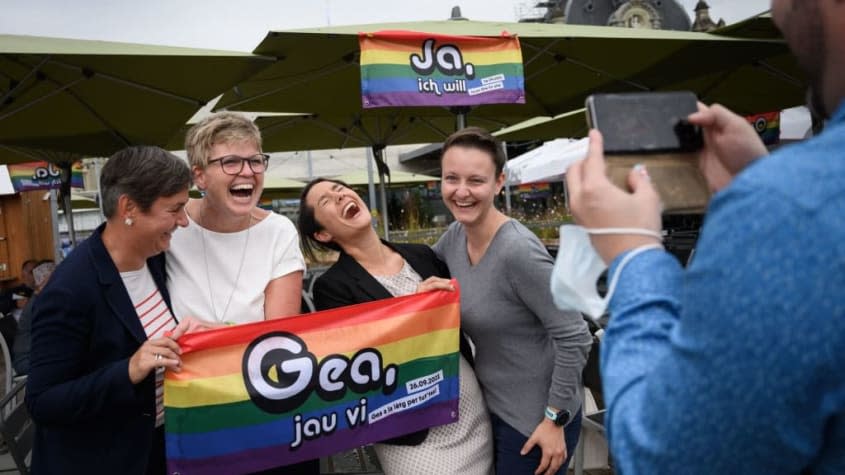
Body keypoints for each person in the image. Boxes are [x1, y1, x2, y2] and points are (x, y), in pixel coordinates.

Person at [563, 1, 845, 473]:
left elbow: (666, 456)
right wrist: (765, 176)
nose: (776, 13)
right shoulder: (794, 204)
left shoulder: (785, 212)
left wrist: (633, 255)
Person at [26, 146, 206, 474]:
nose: (183, 221)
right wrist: (129, 369)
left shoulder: (153, 258)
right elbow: (43, 401)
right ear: (129, 207)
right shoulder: (70, 290)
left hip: (154, 448)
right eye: (175, 209)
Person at [298, 178, 495, 475]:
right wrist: (416, 314)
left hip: (470, 410)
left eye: (340, 189)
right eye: (326, 201)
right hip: (411, 430)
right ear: (323, 234)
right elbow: (359, 366)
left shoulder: (423, 255)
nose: (339, 196)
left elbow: (461, 321)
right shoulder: (332, 288)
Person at [433, 127, 592, 475]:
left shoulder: (517, 250)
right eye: (451, 178)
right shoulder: (455, 236)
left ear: (498, 182)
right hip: (492, 407)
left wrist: (555, 419)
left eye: (476, 180)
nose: (461, 191)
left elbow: (575, 335)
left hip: (536, 420)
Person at [165, 111, 312, 474]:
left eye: (255, 160)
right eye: (230, 161)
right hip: (188, 411)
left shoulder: (278, 231)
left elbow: (278, 340)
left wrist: (210, 339)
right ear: (198, 174)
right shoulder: (172, 225)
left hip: (260, 405)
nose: (247, 172)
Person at [12, 259, 55, 375]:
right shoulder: (39, 303)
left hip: (35, 355)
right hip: (28, 360)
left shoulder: (43, 299)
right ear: (42, 282)